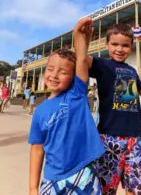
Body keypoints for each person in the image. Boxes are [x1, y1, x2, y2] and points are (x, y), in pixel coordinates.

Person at [28, 17, 105, 195]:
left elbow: (81, 61)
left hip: (83, 171)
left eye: (63, 72)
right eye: (50, 69)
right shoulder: (39, 112)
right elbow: (37, 149)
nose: (54, 75)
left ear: (72, 78)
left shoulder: (76, 94)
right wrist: (33, 187)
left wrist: (78, 35)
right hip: (52, 178)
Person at [88, 23, 141, 195]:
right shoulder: (101, 65)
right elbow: (81, 59)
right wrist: (83, 36)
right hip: (109, 136)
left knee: (135, 186)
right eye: (115, 44)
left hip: (135, 136)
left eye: (125, 45)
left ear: (131, 46)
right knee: (106, 187)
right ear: (106, 45)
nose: (120, 49)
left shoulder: (132, 71)